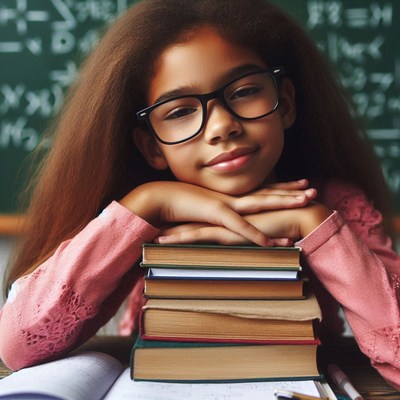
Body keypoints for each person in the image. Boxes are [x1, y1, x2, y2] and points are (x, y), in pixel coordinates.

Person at [1, 0, 399, 389]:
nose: (222, 126)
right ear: (151, 147)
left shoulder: (332, 203)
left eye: (244, 91)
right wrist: (149, 203)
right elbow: (17, 346)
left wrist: (313, 222)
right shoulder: (135, 218)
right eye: (179, 111)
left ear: (287, 103)